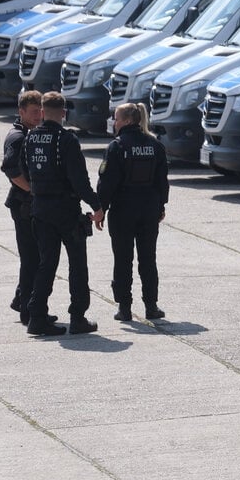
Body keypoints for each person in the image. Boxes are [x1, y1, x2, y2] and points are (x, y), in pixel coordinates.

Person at [21, 91, 104, 336]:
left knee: (46, 263)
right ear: (64, 114)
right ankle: (78, 317)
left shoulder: (30, 138)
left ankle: (36, 316)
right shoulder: (67, 140)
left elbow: (25, 170)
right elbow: (79, 180)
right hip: (66, 210)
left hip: (40, 209)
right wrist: (97, 206)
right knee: (77, 264)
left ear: (43, 112)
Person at [96, 102, 169, 321]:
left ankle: (124, 307)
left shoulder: (117, 146)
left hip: (123, 210)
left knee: (123, 258)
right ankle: (151, 306)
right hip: (148, 210)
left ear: (127, 121)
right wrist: (161, 206)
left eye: (116, 118)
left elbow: (106, 183)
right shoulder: (155, 145)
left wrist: (100, 208)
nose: (114, 122)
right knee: (148, 258)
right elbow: (162, 181)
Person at [1, 90, 51, 325]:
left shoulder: (31, 133)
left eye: (41, 112)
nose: (39, 116)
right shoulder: (18, 137)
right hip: (23, 205)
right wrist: (33, 189)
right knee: (32, 259)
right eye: (33, 113)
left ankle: (22, 299)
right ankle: (27, 310)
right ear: (21, 112)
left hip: (28, 204)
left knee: (34, 257)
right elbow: (11, 171)